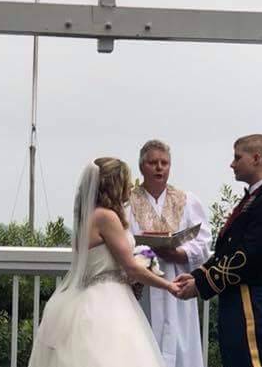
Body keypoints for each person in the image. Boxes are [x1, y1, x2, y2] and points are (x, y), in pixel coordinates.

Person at [28, 157, 179, 367]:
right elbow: (130, 267)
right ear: (116, 184)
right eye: (127, 180)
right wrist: (168, 285)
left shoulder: (90, 215)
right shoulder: (106, 217)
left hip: (90, 295)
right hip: (107, 300)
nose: (131, 185)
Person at [175, 134, 262, 367]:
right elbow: (227, 252)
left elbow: (247, 258)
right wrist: (198, 275)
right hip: (236, 297)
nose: (232, 164)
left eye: (238, 157)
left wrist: (203, 284)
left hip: (251, 298)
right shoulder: (252, 200)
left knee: (254, 361)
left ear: (256, 158)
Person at [126, 140, 211, 367]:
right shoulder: (128, 203)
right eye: (153, 163)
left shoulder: (187, 201)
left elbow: (204, 241)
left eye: (164, 163)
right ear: (142, 166)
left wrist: (180, 253)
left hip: (177, 282)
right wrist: (143, 251)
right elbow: (121, 240)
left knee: (181, 343)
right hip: (143, 285)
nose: (159, 168)